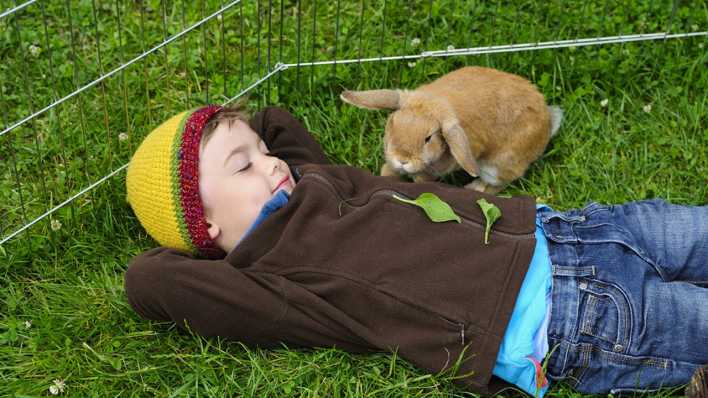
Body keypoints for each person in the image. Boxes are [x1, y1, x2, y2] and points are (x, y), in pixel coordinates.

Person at [124, 104, 707, 397]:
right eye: (242, 165)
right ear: (204, 227)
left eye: (259, 150)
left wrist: (246, 143)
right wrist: (206, 231)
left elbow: (281, 126)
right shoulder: (273, 279)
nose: (271, 161)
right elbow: (150, 281)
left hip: (571, 233)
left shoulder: (316, 184)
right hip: (573, 319)